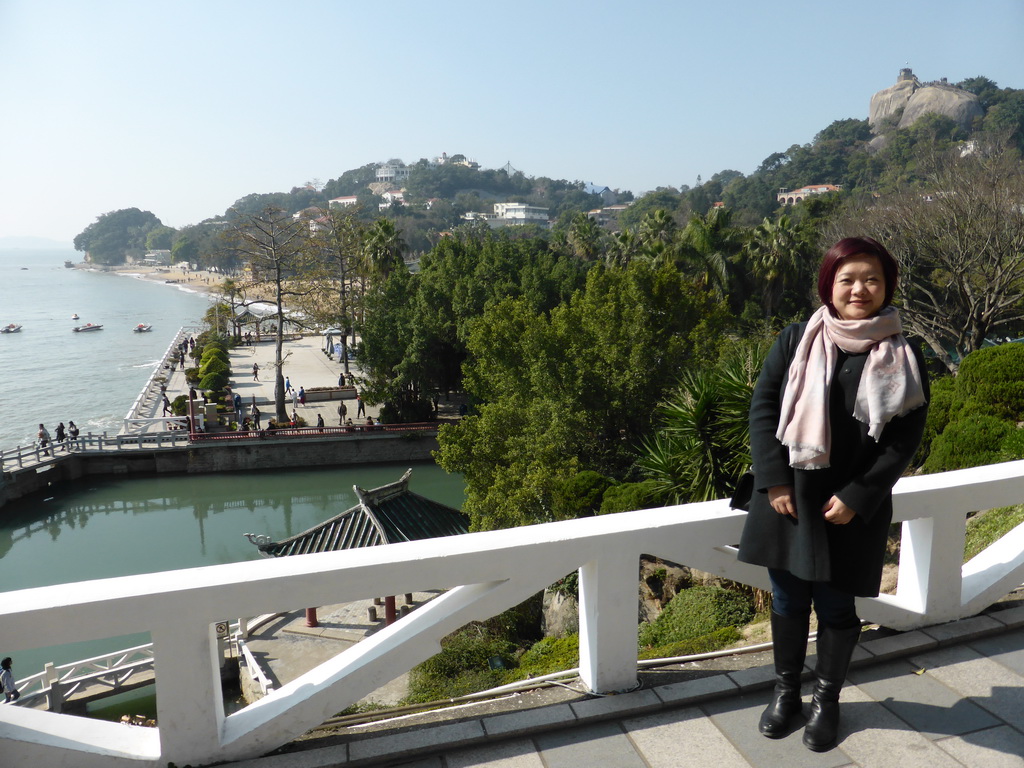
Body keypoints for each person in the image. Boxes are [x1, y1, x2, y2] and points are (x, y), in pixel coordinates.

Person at [737, 237, 929, 752]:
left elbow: (903, 440)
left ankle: (827, 699)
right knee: (787, 598)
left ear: (887, 286)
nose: (859, 289)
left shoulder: (904, 354)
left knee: (838, 608)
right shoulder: (796, 338)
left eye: (871, 279)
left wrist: (858, 495)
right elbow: (762, 410)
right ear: (830, 285)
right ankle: (785, 693)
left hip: (850, 507)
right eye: (847, 279)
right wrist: (774, 480)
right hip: (790, 498)